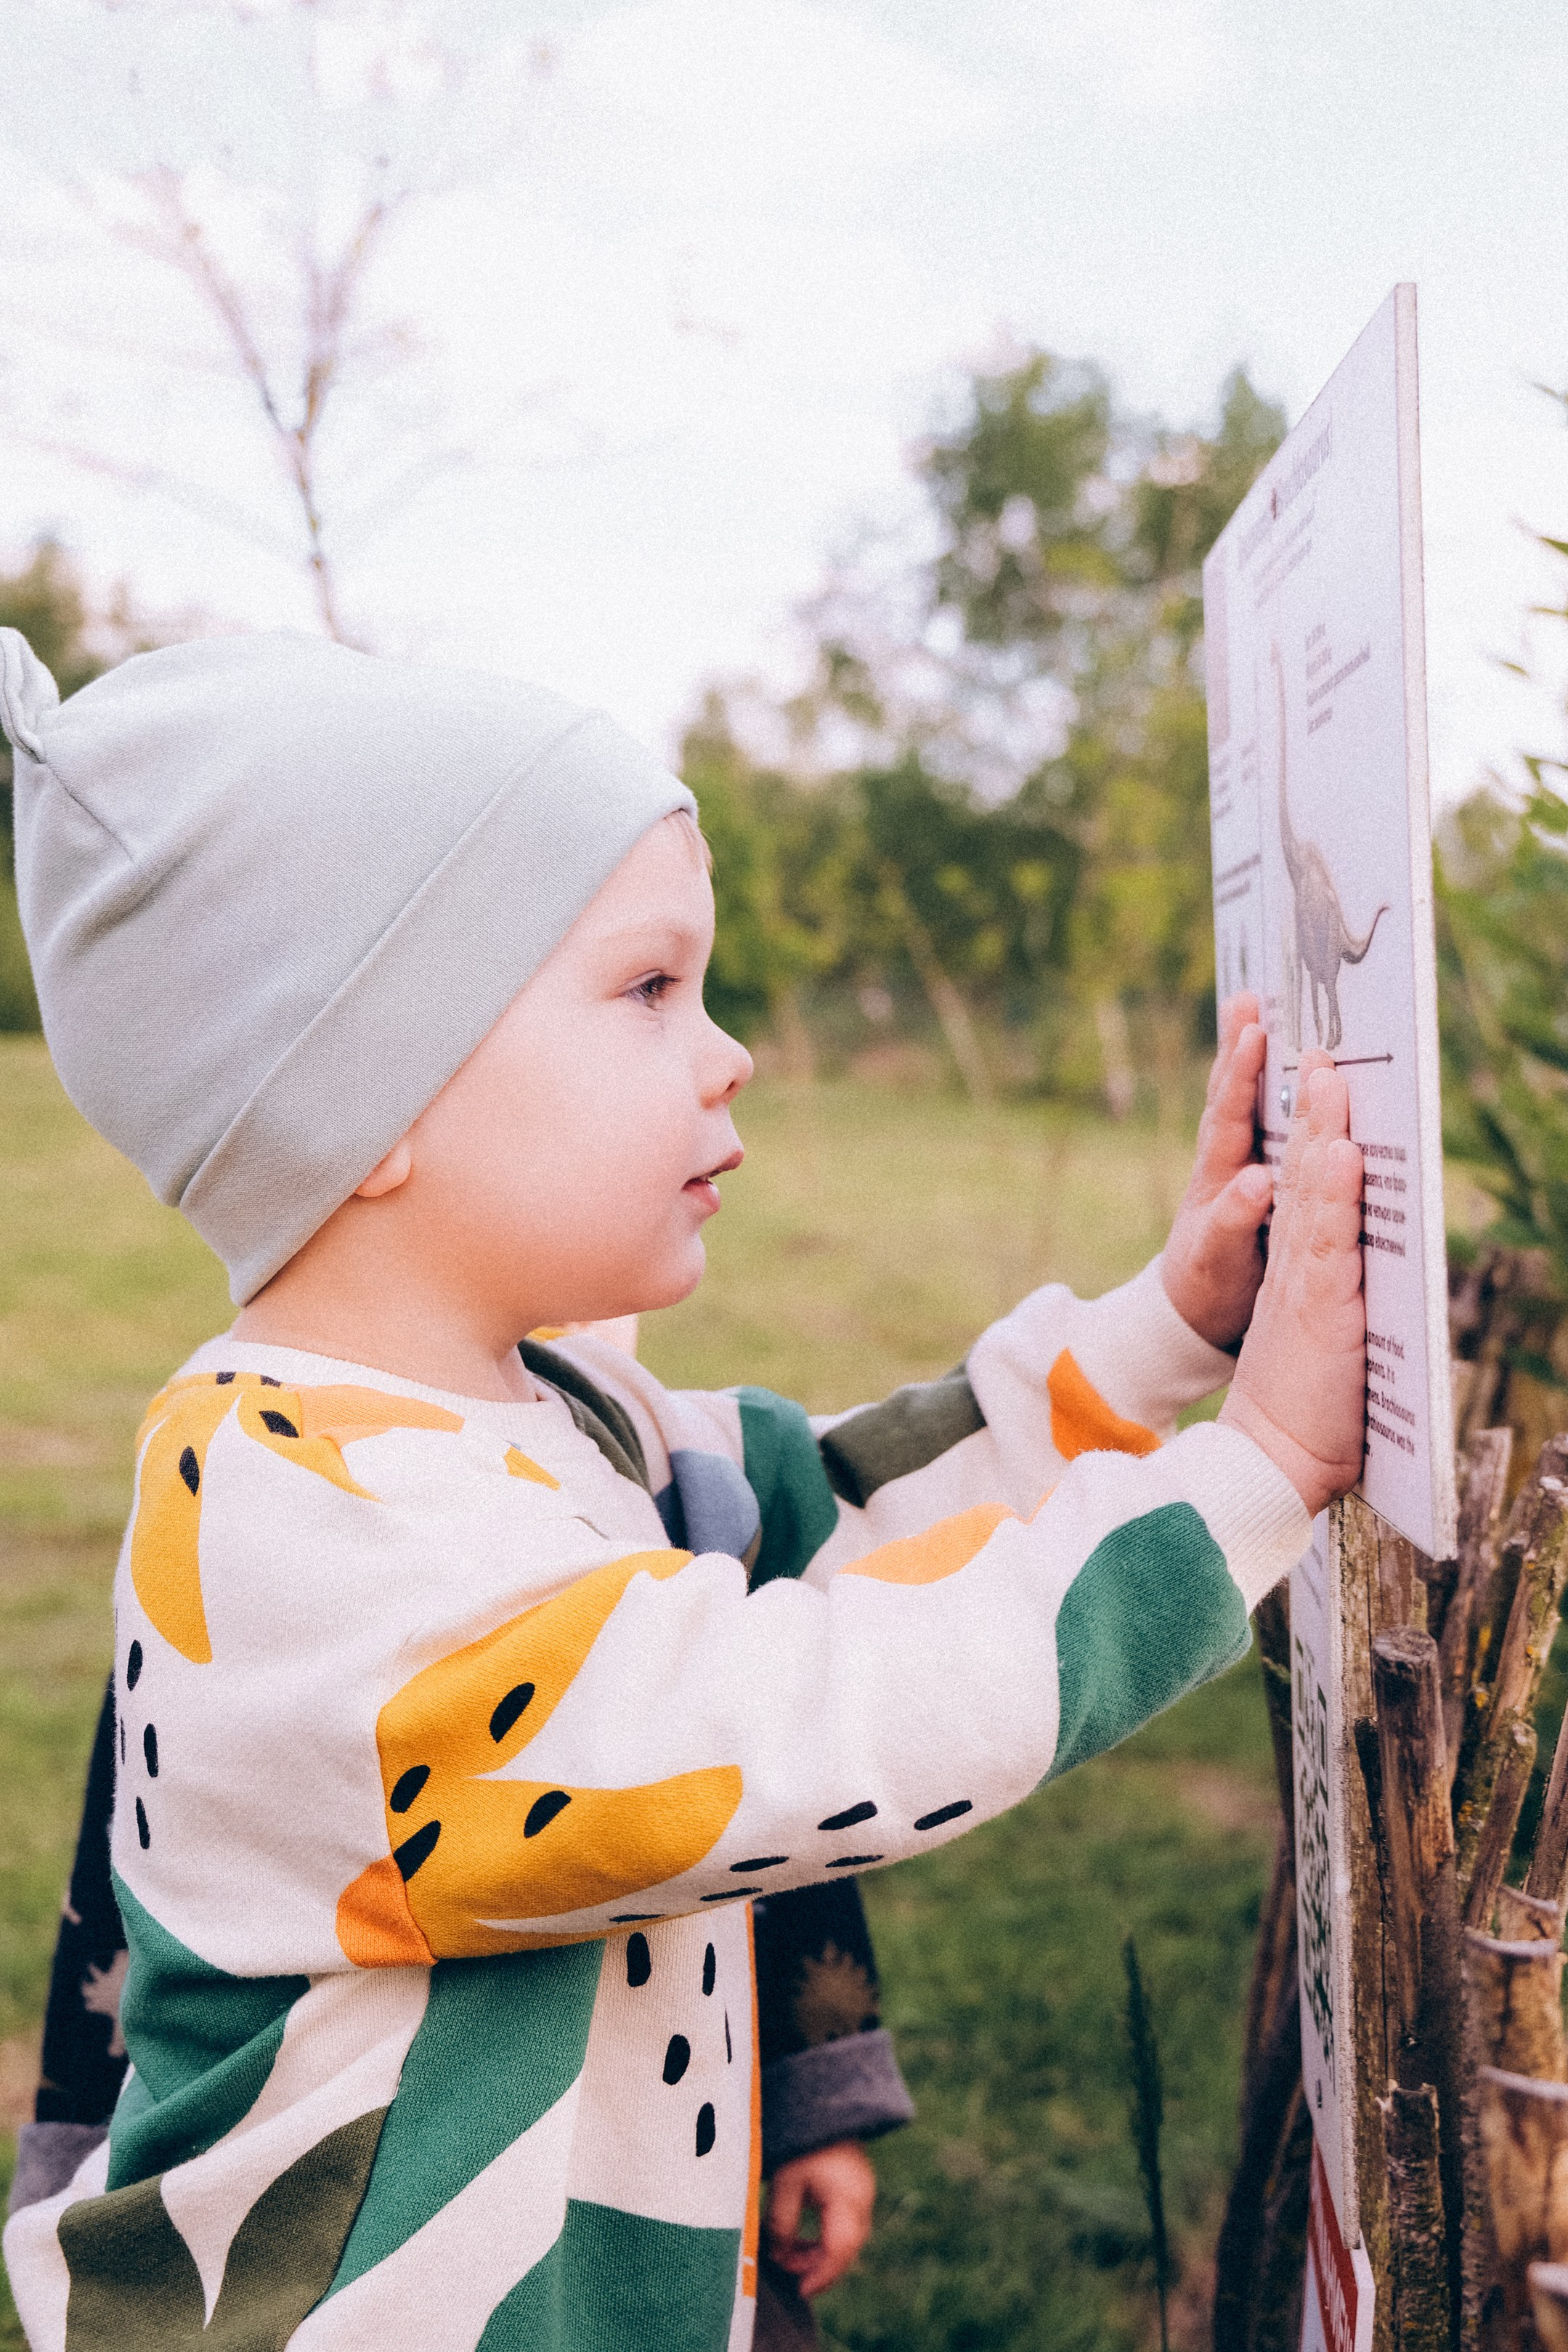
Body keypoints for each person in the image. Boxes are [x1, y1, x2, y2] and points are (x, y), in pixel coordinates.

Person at [0, 628, 1366, 2352]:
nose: (728, 1054)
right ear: (369, 1098)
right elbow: (800, 1711)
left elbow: (825, 1512)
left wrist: (1162, 1338)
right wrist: (1253, 1480)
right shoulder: (302, 1538)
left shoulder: (549, 1399)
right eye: (651, 990)